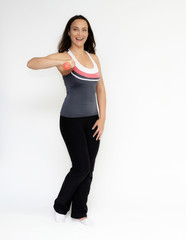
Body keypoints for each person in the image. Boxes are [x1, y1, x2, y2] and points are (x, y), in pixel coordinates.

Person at [27, 15, 106, 226]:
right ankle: (60, 206)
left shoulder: (94, 58)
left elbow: (100, 88)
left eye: (84, 30)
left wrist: (103, 118)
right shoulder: (64, 56)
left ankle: (79, 211)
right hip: (70, 120)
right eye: (75, 29)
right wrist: (62, 61)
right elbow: (32, 63)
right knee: (80, 167)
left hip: (92, 119)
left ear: (88, 34)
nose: (80, 33)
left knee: (89, 169)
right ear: (69, 33)